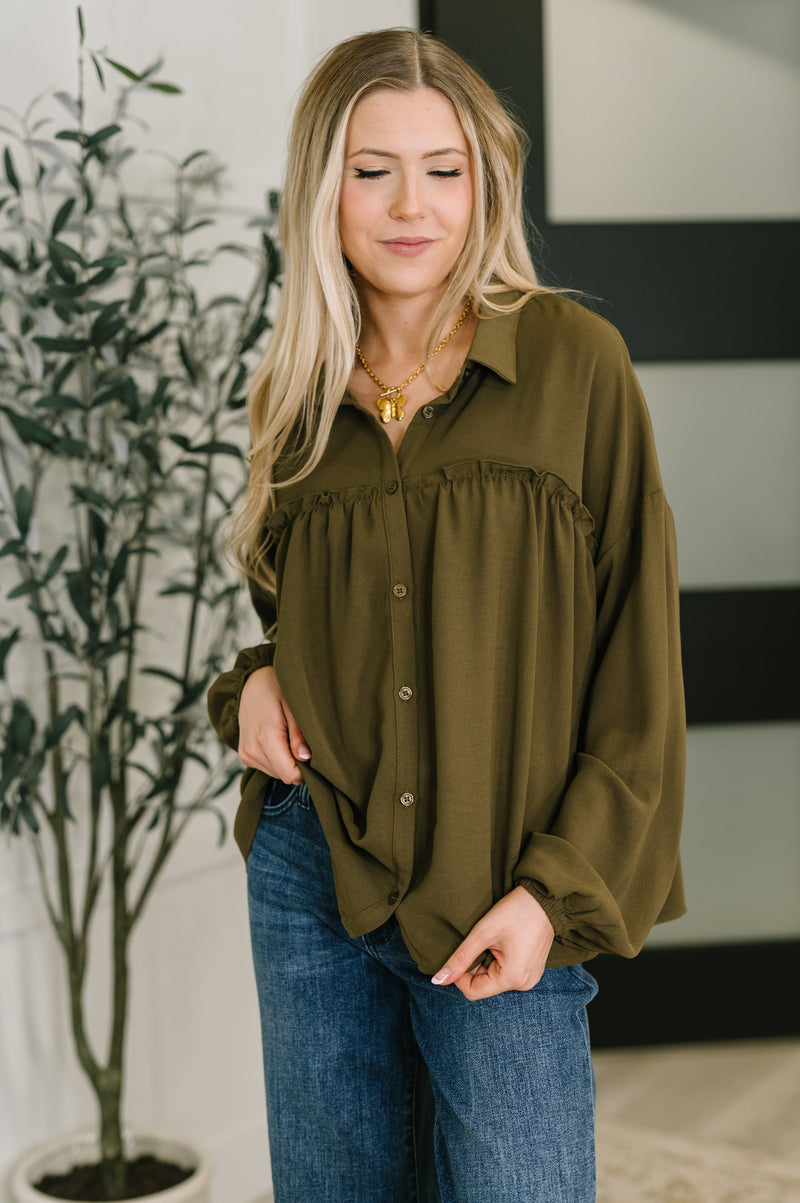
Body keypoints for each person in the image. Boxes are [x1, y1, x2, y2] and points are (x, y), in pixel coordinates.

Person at [207, 27, 685, 1203]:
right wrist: (250, 685)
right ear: (325, 189)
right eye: (372, 170)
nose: (409, 205)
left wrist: (550, 896)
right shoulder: (296, 392)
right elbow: (309, 633)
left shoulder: (575, 365)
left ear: (486, 184)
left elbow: (637, 668)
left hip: (499, 892)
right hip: (311, 873)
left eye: (443, 168)